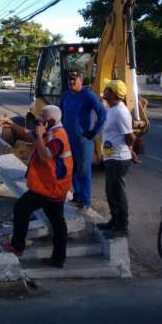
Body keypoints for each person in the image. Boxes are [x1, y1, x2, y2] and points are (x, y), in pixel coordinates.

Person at [2, 105, 73, 268]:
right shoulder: (49, 132)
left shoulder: (58, 137)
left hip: (51, 187)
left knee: (22, 208)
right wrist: (12, 125)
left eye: (41, 117)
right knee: (57, 221)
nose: (38, 120)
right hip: (53, 186)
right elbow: (28, 135)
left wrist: (40, 136)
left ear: (51, 121)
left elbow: (43, 157)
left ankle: (17, 246)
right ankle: (58, 258)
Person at [60, 68, 106, 212]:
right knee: (71, 169)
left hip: (83, 141)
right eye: (70, 79)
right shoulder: (65, 95)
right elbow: (61, 113)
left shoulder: (87, 95)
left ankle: (85, 202)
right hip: (68, 140)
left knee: (84, 171)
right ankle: (78, 195)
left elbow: (102, 113)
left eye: (75, 79)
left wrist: (94, 131)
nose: (71, 82)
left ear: (81, 80)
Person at [97, 79, 135, 238]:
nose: (104, 90)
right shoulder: (111, 108)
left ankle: (122, 227)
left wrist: (128, 150)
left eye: (107, 89)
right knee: (111, 192)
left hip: (118, 158)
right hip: (111, 156)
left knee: (117, 193)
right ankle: (114, 220)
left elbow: (130, 136)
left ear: (113, 93)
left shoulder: (120, 111)